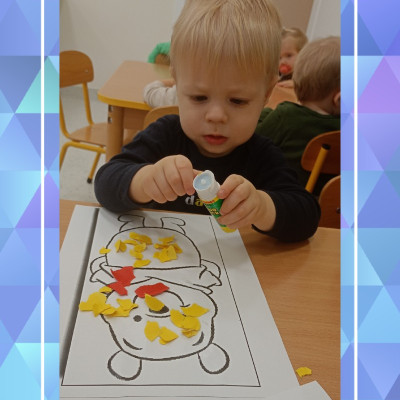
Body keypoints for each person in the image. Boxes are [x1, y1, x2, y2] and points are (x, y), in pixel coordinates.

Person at [95, 0, 320, 243]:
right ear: (177, 83)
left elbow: (307, 217)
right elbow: (105, 183)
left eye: (237, 101)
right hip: (159, 254)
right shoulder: (165, 135)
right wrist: (144, 180)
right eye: (199, 97)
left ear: (266, 94)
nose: (216, 116)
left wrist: (263, 207)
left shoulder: (262, 155)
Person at [256, 36, 341, 194]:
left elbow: (254, 138)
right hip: (325, 204)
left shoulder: (286, 116)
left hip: (279, 200)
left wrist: (266, 113)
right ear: (338, 99)